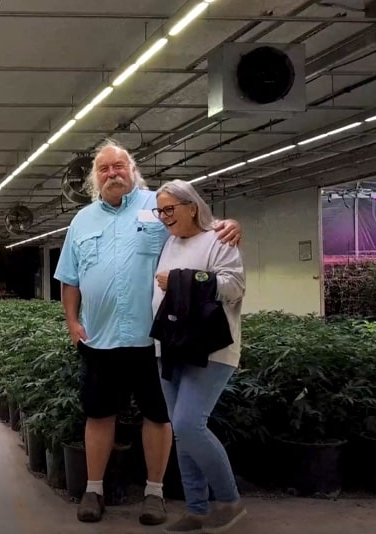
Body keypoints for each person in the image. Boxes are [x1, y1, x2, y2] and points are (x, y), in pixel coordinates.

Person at [53, 138, 241, 527]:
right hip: (100, 338)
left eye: (119, 166)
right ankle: (94, 488)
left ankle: (154, 494)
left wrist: (227, 224)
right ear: (94, 178)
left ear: (132, 170)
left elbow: (199, 227)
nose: (112, 173)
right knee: (99, 413)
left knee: (159, 416)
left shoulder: (159, 206)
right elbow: (69, 279)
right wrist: (73, 323)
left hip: (156, 340)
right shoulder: (82, 221)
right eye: (104, 169)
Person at [150, 179, 246, 534]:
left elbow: (234, 286)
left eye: (170, 209)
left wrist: (181, 279)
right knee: (181, 431)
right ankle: (195, 509)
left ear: (192, 206)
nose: (164, 217)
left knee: (191, 424)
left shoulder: (219, 239)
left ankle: (229, 500)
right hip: (171, 346)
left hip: (211, 349)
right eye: (160, 210)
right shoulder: (169, 243)